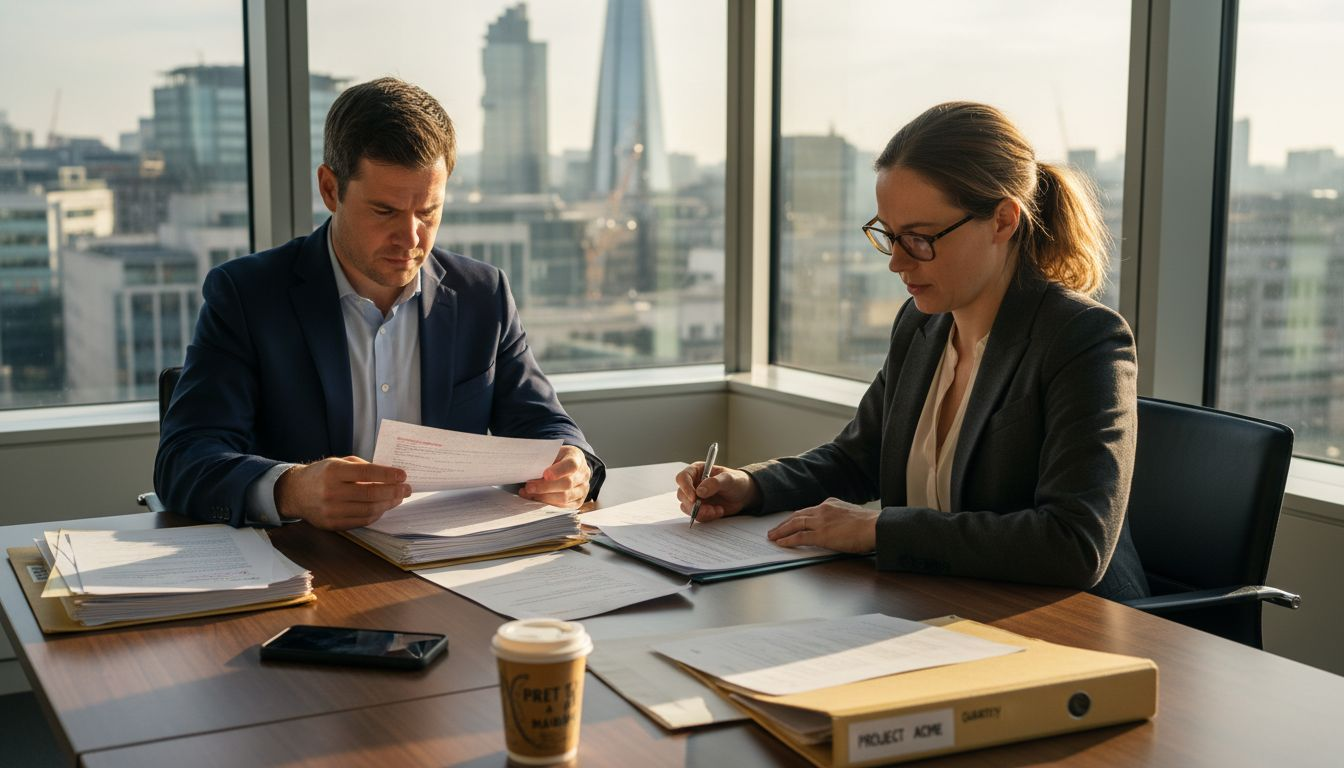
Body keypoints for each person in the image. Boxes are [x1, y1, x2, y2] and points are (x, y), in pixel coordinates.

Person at [675, 101, 1147, 600]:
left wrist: (878, 529)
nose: (897, 262)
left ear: (1004, 220)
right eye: (889, 235)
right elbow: (859, 456)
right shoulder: (922, 324)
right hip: (933, 604)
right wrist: (752, 486)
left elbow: (1073, 543)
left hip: (1066, 629)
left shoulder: (1084, 339)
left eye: (920, 239)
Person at [155, 77, 603, 531]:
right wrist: (291, 489)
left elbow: (546, 425)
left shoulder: (482, 295)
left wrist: (572, 465)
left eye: (428, 212)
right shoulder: (246, 295)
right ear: (330, 190)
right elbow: (185, 460)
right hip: (306, 568)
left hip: (447, 563)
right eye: (385, 211)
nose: (410, 238)